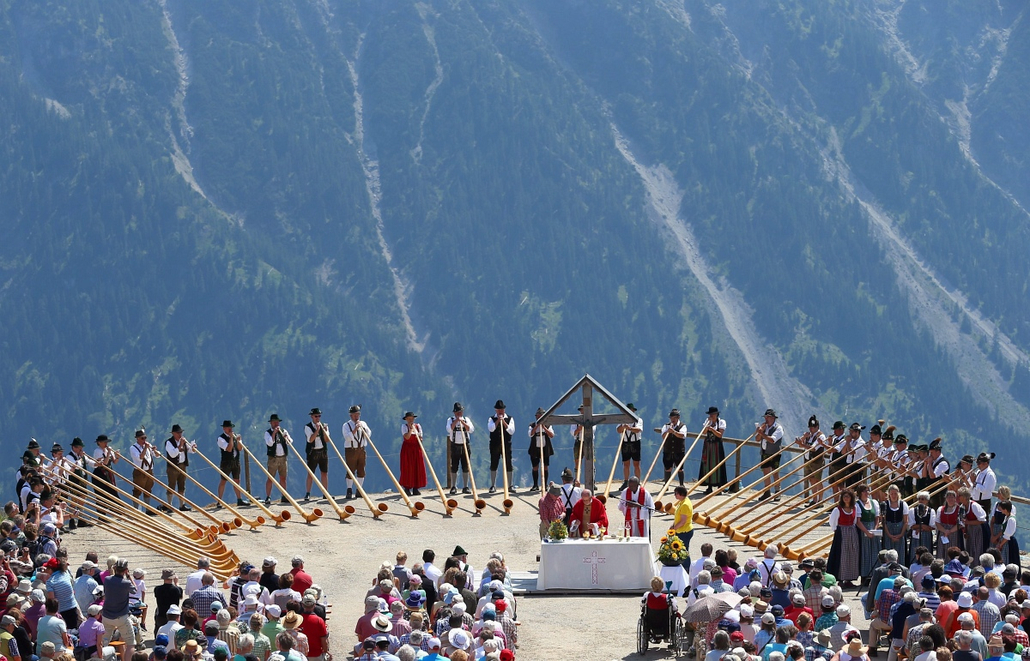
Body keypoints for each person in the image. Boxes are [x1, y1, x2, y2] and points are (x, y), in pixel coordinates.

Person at [102, 559, 136, 660]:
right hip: (121, 617)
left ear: (115, 568)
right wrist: (129, 576)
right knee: (130, 643)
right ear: (125, 570)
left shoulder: (107, 580)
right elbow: (135, 590)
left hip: (107, 616)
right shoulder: (126, 583)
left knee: (103, 643)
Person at [828, 489, 861, 588]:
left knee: (853, 555)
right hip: (842, 533)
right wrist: (836, 531)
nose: (846, 498)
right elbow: (832, 522)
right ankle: (841, 579)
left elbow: (855, 521)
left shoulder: (855, 508)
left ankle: (849, 579)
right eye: (844, 496)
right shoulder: (838, 509)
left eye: (848, 496)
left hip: (852, 532)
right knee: (843, 556)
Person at [696, 406, 728, 495]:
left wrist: (712, 429)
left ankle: (719, 487)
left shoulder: (721, 422)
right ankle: (709, 486)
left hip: (717, 446)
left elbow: (720, 435)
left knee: (718, 465)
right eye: (710, 414)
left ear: (717, 414)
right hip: (708, 445)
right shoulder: (707, 422)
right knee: (708, 465)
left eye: (713, 414)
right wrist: (708, 425)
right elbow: (704, 432)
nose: (712, 416)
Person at [341, 405, 370, 500]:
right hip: (351, 450)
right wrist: (355, 429)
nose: (357, 416)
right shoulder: (346, 425)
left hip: (361, 449)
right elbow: (347, 437)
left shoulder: (363, 423)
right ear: (351, 415)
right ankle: (349, 489)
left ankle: (359, 489)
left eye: (358, 414)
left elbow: (368, 434)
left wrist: (363, 428)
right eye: (355, 415)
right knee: (350, 470)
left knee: (361, 469)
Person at [796, 416, 827, 506]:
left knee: (817, 480)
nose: (811, 429)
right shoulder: (809, 435)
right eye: (810, 427)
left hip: (816, 461)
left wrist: (802, 444)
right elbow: (800, 446)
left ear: (817, 427)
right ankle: (814, 499)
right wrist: (803, 438)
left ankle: (820, 501)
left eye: (813, 427)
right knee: (811, 480)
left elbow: (813, 448)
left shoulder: (820, 436)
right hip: (808, 460)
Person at [263, 415, 293, 506]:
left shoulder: (284, 431)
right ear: (271, 423)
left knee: (283, 478)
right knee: (270, 478)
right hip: (273, 458)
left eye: (277, 422)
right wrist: (274, 433)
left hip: (283, 457)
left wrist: (286, 438)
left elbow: (290, 441)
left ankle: (284, 496)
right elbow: (270, 443)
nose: (276, 423)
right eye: (274, 422)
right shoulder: (267, 433)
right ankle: (268, 497)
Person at [486, 401, 515, 495]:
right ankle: (493, 485)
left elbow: (511, 431)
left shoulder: (509, 418)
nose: (500, 412)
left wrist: (504, 422)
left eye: (502, 410)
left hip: (506, 444)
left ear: (504, 410)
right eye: (499, 410)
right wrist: (498, 420)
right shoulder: (492, 418)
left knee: (508, 463)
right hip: (495, 444)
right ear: (496, 410)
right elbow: (491, 429)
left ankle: (510, 485)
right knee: (494, 463)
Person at [446, 404, 475, 496]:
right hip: (455, 445)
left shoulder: (466, 419)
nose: (459, 413)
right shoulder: (450, 420)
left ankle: (465, 486)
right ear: (454, 412)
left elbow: (471, 430)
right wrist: (456, 421)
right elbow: (449, 429)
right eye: (457, 412)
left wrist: (462, 422)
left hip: (465, 445)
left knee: (465, 466)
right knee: (454, 466)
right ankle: (453, 486)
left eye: (461, 412)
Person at [164, 424, 194, 511]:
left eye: (181, 432)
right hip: (173, 466)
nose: (180, 434)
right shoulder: (169, 442)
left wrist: (193, 448)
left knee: (182, 485)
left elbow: (189, 449)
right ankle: (169, 505)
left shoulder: (183, 441)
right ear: (173, 433)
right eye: (178, 433)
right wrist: (180, 445)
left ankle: (182, 505)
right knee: (171, 485)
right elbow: (172, 454)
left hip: (182, 465)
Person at [755, 409, 783, 502]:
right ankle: (767, 491)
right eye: (765, 417)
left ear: (773, 418)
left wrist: (762, 433)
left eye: (768, 417)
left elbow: (772, 440)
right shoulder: (765, 427)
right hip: (765, 452)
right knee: (766, 472)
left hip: (774, 453)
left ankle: (777, 492)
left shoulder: (778, 428)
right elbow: (757, 439)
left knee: (775, 473)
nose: (766, 419)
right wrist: (760, 432)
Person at [303, 409, 330, 502]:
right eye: (316, 416)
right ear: (312, 417)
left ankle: (325, 493)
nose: (318, 418)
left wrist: (325, 432)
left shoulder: (324, 425)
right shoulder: (308, 427)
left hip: (322, 451)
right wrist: (318, 430)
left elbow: (327, 440)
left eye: (319, 416)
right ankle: (308, 493)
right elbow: (310, 439)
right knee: (311, 473)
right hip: (313, 452)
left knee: (324, 472)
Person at [613, 403, 643, 492]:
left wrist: (629, 428)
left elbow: (638, 430)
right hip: (625, 442)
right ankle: (626, 481)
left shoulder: (638, 420)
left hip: (635, 442)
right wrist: (623, 426)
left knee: (636, 463)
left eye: (631, 410)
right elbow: (618, 430)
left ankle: (637, 481)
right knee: (626, 463)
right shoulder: (622, 420)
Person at [215, 421, 245, 507]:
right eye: (228, 427)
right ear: (224, 428)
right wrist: (231, 438)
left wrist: (239, 441)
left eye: (231, 427)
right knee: (223, 481)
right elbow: (229, 449)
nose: (230, 429)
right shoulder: (221, 438)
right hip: (226, 462)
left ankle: (239, 499)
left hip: (236, 461)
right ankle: (219, 501)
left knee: (237, 480)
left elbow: (239, 449)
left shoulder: (235, 436)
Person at [855, 484, 881, 580]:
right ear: (860, 493)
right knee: (865, 552)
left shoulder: (874, 502)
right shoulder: (857, 504)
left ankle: (875, 575)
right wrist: (866, 532)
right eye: (865, 491)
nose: (867, 493)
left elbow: (877, 518)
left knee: (874, 551)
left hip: (873, 530)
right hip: (863, 530)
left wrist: (874, 529)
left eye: (868, 491)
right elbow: (858, 521)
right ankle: (865, 576)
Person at [91, 435, 120, 519]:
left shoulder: (108, 450)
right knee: (101, 494)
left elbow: (114, 462)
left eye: (106, 442)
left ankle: (117, 511)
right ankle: (102, 515)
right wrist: (109, 453)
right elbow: (105, 463)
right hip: (100, 473)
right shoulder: (97, 451)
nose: (106, 444)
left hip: (108, 473)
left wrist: (117, 456)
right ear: (99, 443)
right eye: (104, 442)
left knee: (113, 492)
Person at [527, 408, 555, 493]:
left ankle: (545, 484)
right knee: (535, 467)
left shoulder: (548, 425)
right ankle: (535, 485)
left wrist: (544, 427)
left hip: (545, 447)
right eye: (538, 417)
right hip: (535, 448)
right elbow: (530, 434)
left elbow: (551, 435)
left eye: (541, 417)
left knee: (545, 466)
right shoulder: (532, 425)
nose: (539, 418)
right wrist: (537, 426)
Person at [129, 430, 157, 512]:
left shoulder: (148, 446)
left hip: (149, 471)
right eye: (142, 438)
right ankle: (136, 510)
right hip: (140, 472)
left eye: (145, 438)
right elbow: (140, 457)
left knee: (148, 489)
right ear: (137, 439)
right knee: (137, 491)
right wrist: (145, 448)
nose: (144, 440)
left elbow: (156, 455)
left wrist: (155, 451)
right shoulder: (133, 448)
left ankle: (148, 509)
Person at [399, 413, 426, 497]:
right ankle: (407, 488)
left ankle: (415, 487)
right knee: (408, 467)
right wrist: (411, 429)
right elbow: (407, 437)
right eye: (409, 419)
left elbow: (420, 438)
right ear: (406, 419)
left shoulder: (418, 426)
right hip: (407, 450)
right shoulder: (404, 427)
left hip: (416, 448)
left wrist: (420, 438)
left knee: (417, 467)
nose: (411, 420)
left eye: (412, 418)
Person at [881, 485, 909, 564]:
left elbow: (905, 521)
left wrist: (901, 534)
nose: (893, 495)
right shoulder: (885, 504)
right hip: (888, 530)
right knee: (888, 552)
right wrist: (889, 535)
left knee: (900, 552)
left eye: (895, 493)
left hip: (900, 530)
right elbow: (884, 522)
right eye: (892, 493)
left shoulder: (903, 504)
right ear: (889, 494)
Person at [659, 409, 688, 487]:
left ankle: (681, 485)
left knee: (680, 468)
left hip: (679, 451)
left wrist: (674, 432)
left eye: (674, 418)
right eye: (671, 418)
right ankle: (666, 485)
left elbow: (682, 435)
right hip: (668, 450)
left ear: (678, 418)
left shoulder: (682, 426)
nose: (672, 419)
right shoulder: (666, 426)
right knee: (668, 468)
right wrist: (668, 431)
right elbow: (663, 436)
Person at [671, 486, 694, 566]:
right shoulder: (682, 501)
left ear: (681, 494)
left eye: (676, 493)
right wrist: (673, 525)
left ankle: (687, 569)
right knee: (682, 550)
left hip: (684, 531)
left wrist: (674, 529)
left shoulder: (685, 505)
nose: (675, 495)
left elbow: (682, 521)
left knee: (684, 552)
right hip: (681, 530)